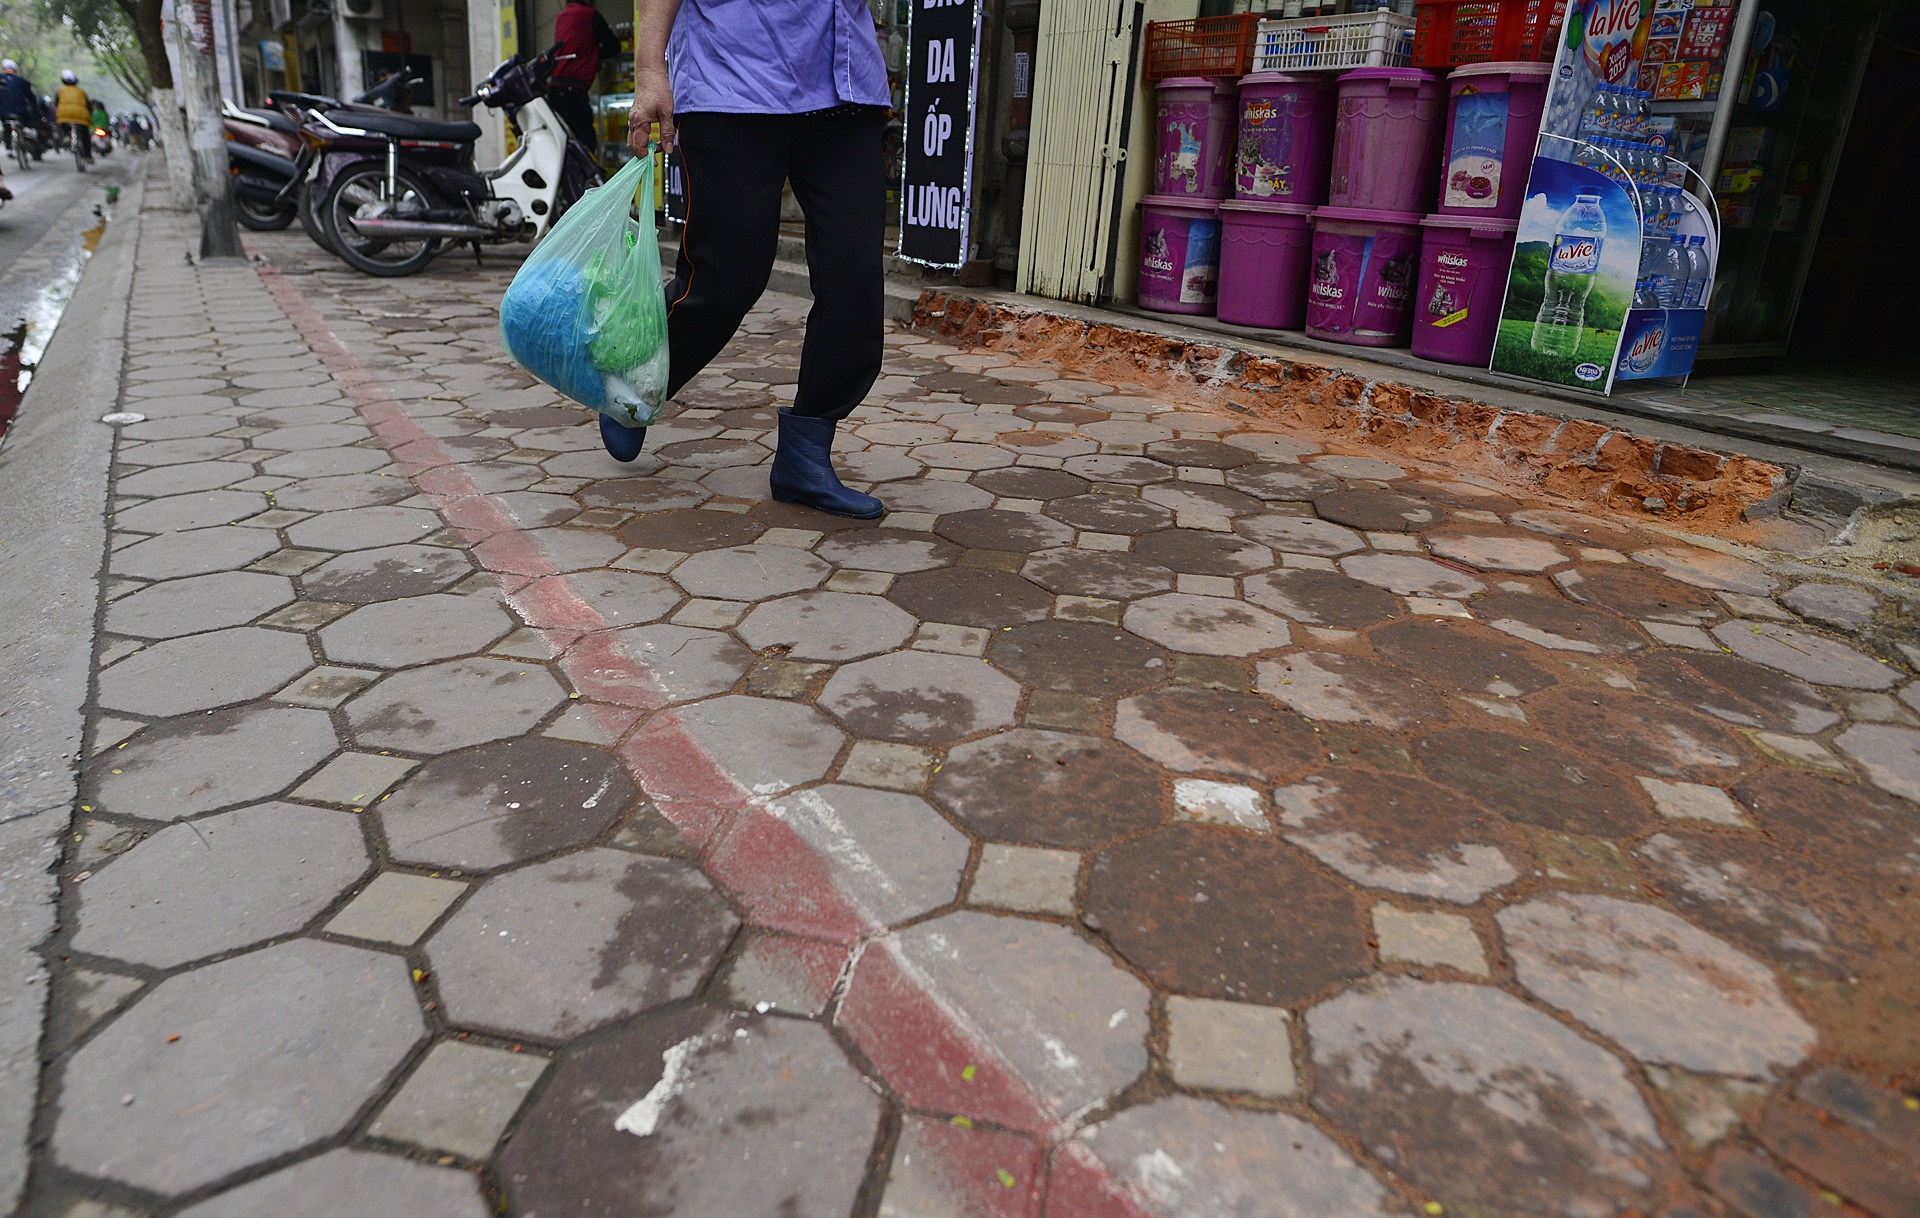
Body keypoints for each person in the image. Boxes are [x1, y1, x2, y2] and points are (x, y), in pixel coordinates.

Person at [617, 0, 888, 519]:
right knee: (727, 278)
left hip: (845, 82)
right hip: (733, 79)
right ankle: (633, 383)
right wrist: (652, 72)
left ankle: (805, 455)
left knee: (854, 276)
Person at [548, 0, 620, 154]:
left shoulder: (562, 15)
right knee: (586, 144)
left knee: (565, 146)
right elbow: (614, 47)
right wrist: (593, 54)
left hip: (556, 88)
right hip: (572, 90)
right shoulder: (589, 15)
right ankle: (585, 178)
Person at [55, 70, 91, 161]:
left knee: (63, 122)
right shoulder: (81, 91)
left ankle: (66, 135)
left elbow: (56, 103)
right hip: (80, 115)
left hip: (65, 113)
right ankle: (88, 156)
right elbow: (88, 105)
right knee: (85, 135)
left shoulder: (60, 90)